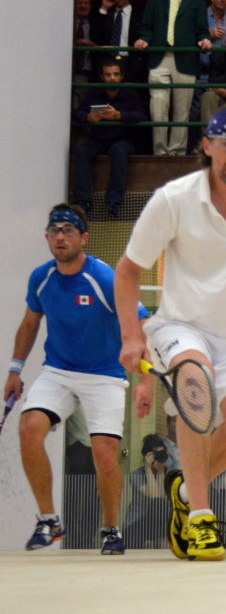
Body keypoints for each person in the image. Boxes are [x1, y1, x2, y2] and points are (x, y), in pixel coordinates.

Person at [114, 105, 226, 561]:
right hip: (181, 327)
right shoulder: (173, 200)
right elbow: (128, 270)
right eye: (225, 145)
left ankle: (184, 489)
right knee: (196, 381)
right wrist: (131, 338)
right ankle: (200, 518)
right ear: (206, 147)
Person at [6, 204, 148, 554]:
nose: (60, 237)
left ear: (84, 238)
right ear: (46, 237)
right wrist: (14, 369)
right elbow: (29, 324)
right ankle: (49, 521)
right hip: (58, 372)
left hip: (104, 375)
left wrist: (146, 379)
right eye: (54, 231)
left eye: (68, 231)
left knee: (103, 454)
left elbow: (140, 323)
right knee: (29, 429)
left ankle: (111, 529)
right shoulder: (41, 278)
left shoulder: (103, 278)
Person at [134, 0, 212, 156]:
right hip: (159, 58)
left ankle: (177, 152)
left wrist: (204, 40)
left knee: (182, 111)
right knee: (158, 105)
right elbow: (146, 27)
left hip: (186, 59)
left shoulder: (197, 0)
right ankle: (160, 152)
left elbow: (202, 30)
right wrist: (143, 39)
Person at [71, 58, 145, 218]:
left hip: (123, 140)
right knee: (82, 150)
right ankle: (83, 201)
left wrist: (120, 115)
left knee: (119, 150)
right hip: (98, 139)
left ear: (122, 76)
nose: (112, 78)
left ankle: (114, 201)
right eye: (108, 75)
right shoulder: (94, 93)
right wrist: (88, 118)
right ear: (102, 76)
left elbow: (141, 116)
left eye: (116, 74)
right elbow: (77, 113)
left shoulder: (130, 94)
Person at [124, 434, 170, 548]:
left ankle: (162, 553)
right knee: (160, 506)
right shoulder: (136, 475)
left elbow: (162, 498)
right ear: (147, 456)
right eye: (156, 455)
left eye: (161, 454)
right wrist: (148, 468)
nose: (158, 458)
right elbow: (154, 497)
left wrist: (160, 473)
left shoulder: (166, 473)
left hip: (158, 524)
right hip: (136, 524)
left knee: (163, 510)